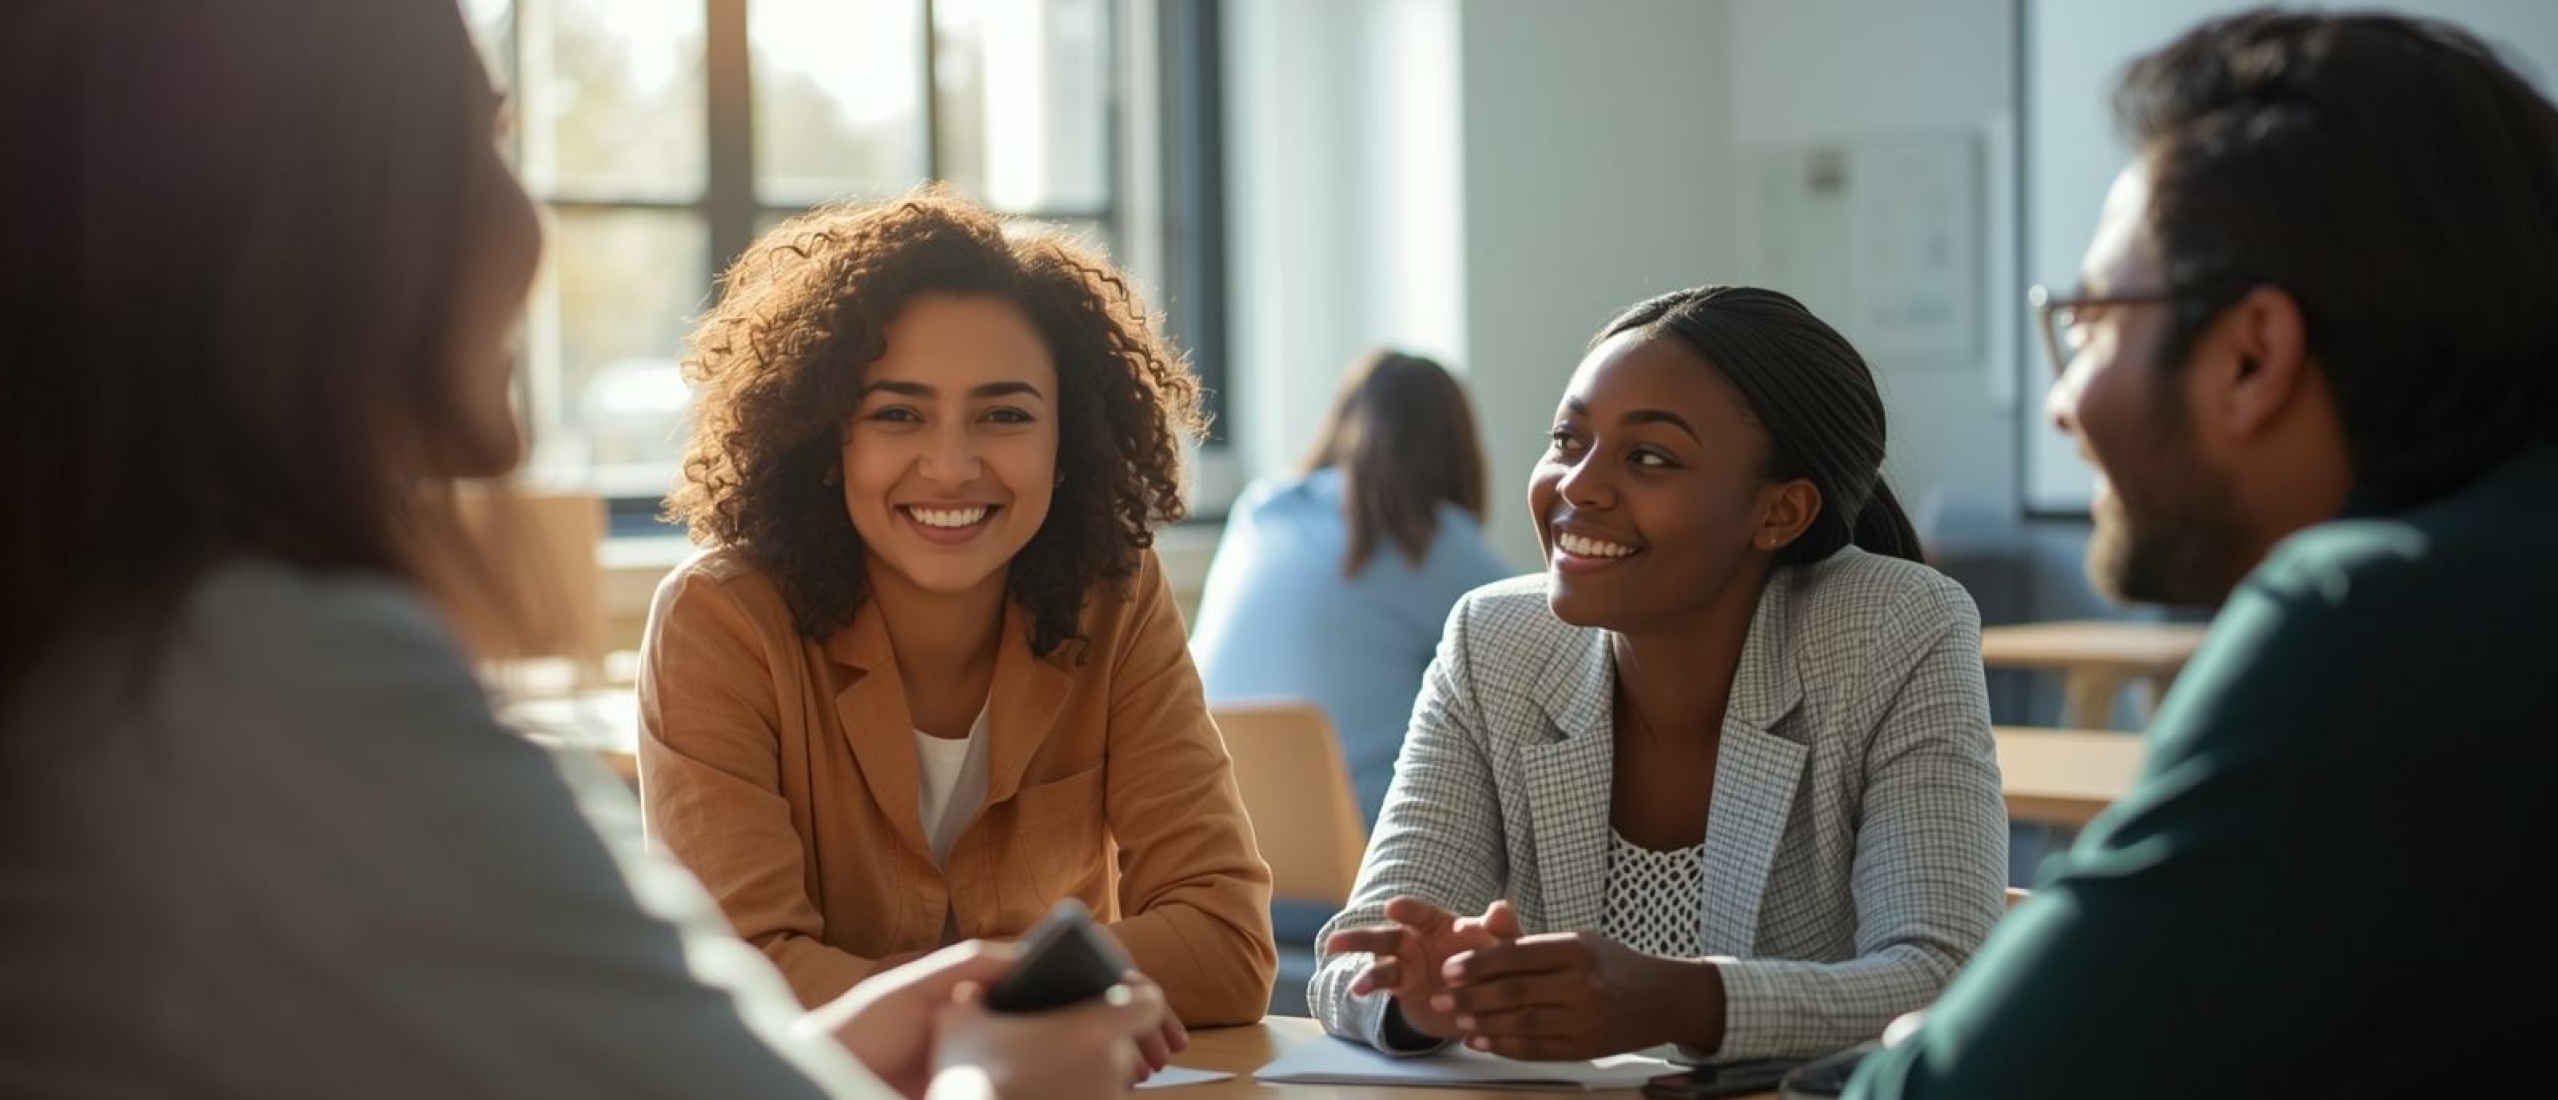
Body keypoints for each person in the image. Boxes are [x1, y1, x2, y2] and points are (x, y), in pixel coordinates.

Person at [0, 1, 1163, 1097]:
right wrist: (987, 1079)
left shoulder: (121, 659)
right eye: (473, 150)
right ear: (284, 227)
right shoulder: (283, 685)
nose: (525, 223)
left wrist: (819, 1040)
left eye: (1002, 411)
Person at [1848, 11, 2558, 1098]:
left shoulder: (2367, 625)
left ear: (2250, 354)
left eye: (2085, 323)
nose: (2058, 407)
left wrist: (1907, 1055)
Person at [1312, 287, 2007, 1062]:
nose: (1578, 486)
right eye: (1568, 441)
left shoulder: (1895, 628)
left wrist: (1682, 1001)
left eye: (1649, 457)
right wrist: (1421, 994)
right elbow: (1354, 960)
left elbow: (1948, 982)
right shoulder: (1494, 640)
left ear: (1780, 512)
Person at [640, 190, 1277, 1031]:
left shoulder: (1115, 595)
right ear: (830, 442)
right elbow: (740, 982)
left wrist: (961, 992)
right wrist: (1033, 992)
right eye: (897, 414)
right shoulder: (719, 621)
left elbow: (1227, 947)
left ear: (1067, 445)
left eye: (1004, 415)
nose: (949, 466)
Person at [1190, 349, 1515, 828]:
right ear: (1455, 448)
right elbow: (1553, 632)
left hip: (1214, 823)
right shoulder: (1430, 539)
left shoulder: (1261, 513)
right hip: (1349, 846)